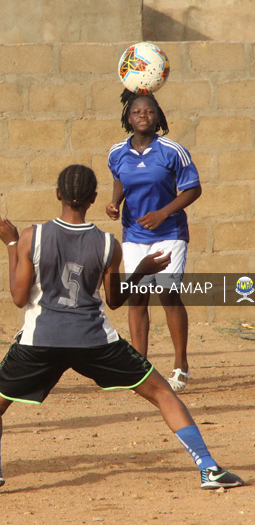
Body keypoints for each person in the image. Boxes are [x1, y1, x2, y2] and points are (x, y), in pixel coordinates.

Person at [0, 165, 242, 494]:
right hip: (94, 340)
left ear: (57, 194)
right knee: (161, 392)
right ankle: (208, 468)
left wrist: (11, 243)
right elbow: (114, 301)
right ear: (94, 199)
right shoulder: (107, 243)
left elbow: (18, 297)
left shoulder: (32, 236)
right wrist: (141, 270)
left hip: (41, 339)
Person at [106, 90, 201, 392]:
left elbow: (193, 189)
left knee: (168, 294)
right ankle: (139, 368)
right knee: (137, 297)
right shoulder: (117, 152)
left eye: (149, 112)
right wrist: (114, 202)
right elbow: (120, 179)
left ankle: (180, 366)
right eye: (137, 112)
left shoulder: (173, 151)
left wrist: (163, 213)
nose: (143, 116)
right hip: (134, 235)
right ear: (128, 118)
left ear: (158, 117)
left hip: (169, 233)